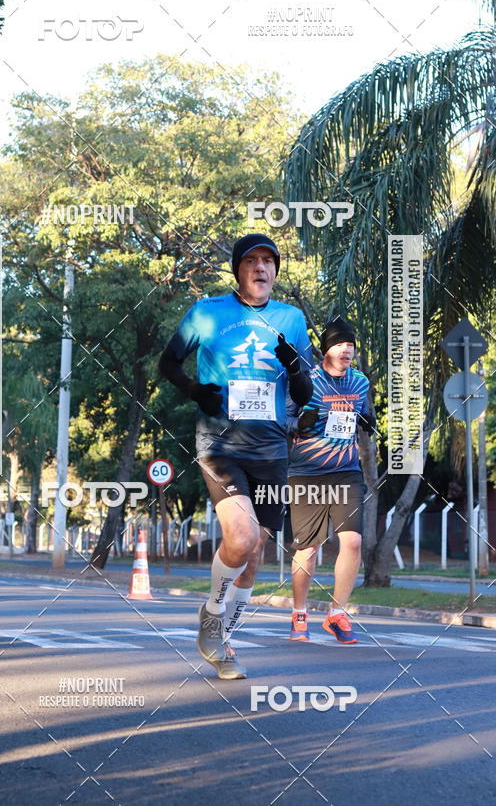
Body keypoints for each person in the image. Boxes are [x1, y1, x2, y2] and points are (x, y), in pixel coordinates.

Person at [158, 233, 313, 679]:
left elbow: (303, 394)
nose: (261, 269)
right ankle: (211, 612)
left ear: (276, 271)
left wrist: (295, 366)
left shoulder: (292, 319)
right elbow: (168, 363)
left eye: (269, 262)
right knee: (241, 537)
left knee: (257, 551)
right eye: (252, 262)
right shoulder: (207, 313)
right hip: (220, 444)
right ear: (238, 270)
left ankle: (223, 638)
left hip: (271, 450)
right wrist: (193, 391)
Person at [286, 317, 373, 644]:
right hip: (307, 471)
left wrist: (366, 420)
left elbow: (361, 413)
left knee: (352, 541)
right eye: (339, 343)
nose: (346, 349)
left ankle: (337, 613)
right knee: (307, 548)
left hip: (347, 470)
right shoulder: (305, 382)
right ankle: (299, 613)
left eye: (350, 344)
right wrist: (299, 423)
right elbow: (282, 420)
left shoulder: (360, 383)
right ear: (326, 349)